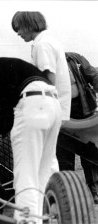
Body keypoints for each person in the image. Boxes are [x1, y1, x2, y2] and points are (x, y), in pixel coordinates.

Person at [0, 56, 62, 224]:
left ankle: (27, 221)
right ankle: (50, 217)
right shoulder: (11, 69)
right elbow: (5, 109)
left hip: (31, 102)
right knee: (46, 169)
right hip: (53, 104)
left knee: (26, 174)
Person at [11, 11, 71, 174]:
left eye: (19, 28)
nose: (18, 33)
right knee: (48, 155)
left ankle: (46, 191)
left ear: (28, 25)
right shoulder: (48, 41)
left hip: (46, 106)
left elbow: (49, 79)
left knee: (43, 155)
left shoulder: (42, 44)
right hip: (55, 106)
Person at [57, 52, 98, 203]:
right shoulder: (43, 66)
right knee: (64, 155)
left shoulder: (74, 58)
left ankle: (94, 191)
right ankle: (69, 194)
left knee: (90, 153)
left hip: (83, 109)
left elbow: (94, 75)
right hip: (61, 114)